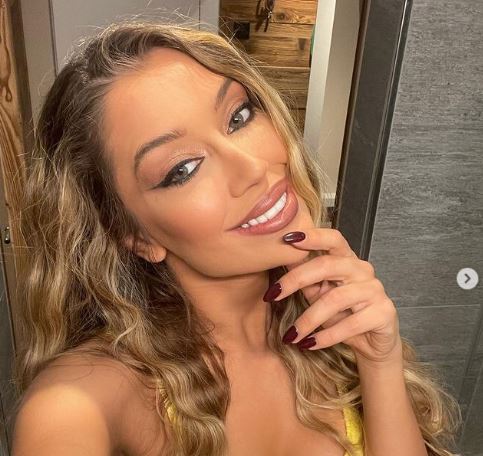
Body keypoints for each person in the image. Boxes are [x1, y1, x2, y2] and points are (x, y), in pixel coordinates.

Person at [10, 19, 461, 456]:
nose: (253, 167)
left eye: (239, 117)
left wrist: (378, 361)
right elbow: (61, 419)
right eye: (182, 169)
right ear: (135, 235)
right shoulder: (88, 395)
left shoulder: (327, 331)